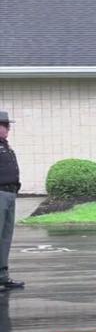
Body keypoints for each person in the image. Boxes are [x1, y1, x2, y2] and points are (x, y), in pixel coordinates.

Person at [0, 111, 23, 293]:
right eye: (4, 125)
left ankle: (3, 276)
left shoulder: (6, 147)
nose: (8, 128)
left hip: (9, 193)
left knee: (6, 237)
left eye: (8, 125)